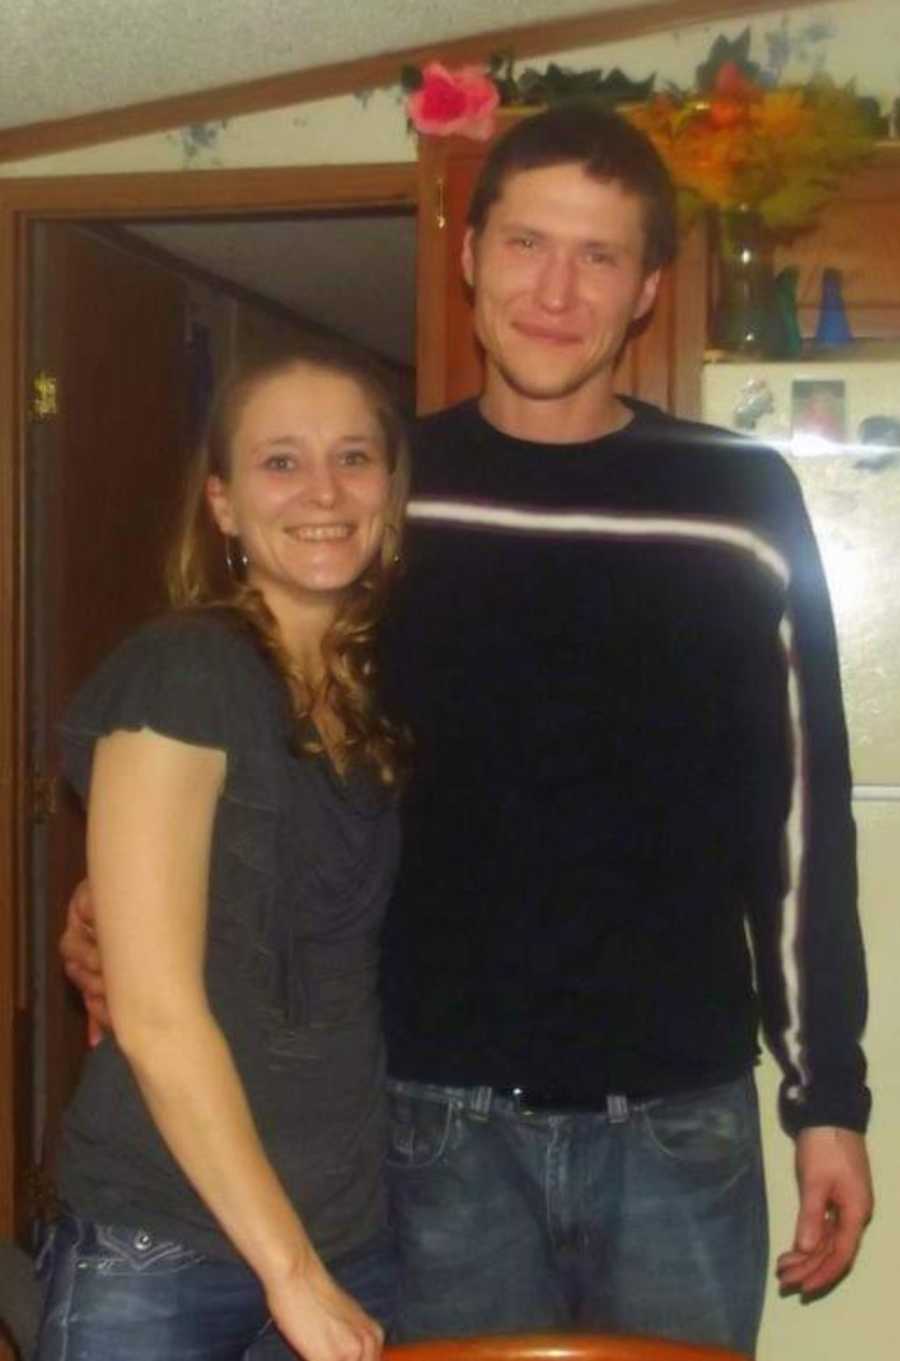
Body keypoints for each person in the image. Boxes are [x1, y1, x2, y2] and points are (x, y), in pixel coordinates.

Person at [62, 104, 873, 1358]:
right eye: (527, 244)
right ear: (469, 255)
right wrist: (113, 894)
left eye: (598, 256)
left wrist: (831, 1099)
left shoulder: (739, 500)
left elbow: (806, 819)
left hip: (682, 1119)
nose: (557, 289)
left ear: (649, 287)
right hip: (432, 1127)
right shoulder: (378, 499)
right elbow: (258, 740)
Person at [39, 340, 410, 1361]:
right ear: (224, 504)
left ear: (390, 488)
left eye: (353, 457)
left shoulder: (379, 696)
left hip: (349, 1228)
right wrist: (292, 1274)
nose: (323, 490)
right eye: (280, 462)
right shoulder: (184, 668)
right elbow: (155, 1012)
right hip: (165, 1245)